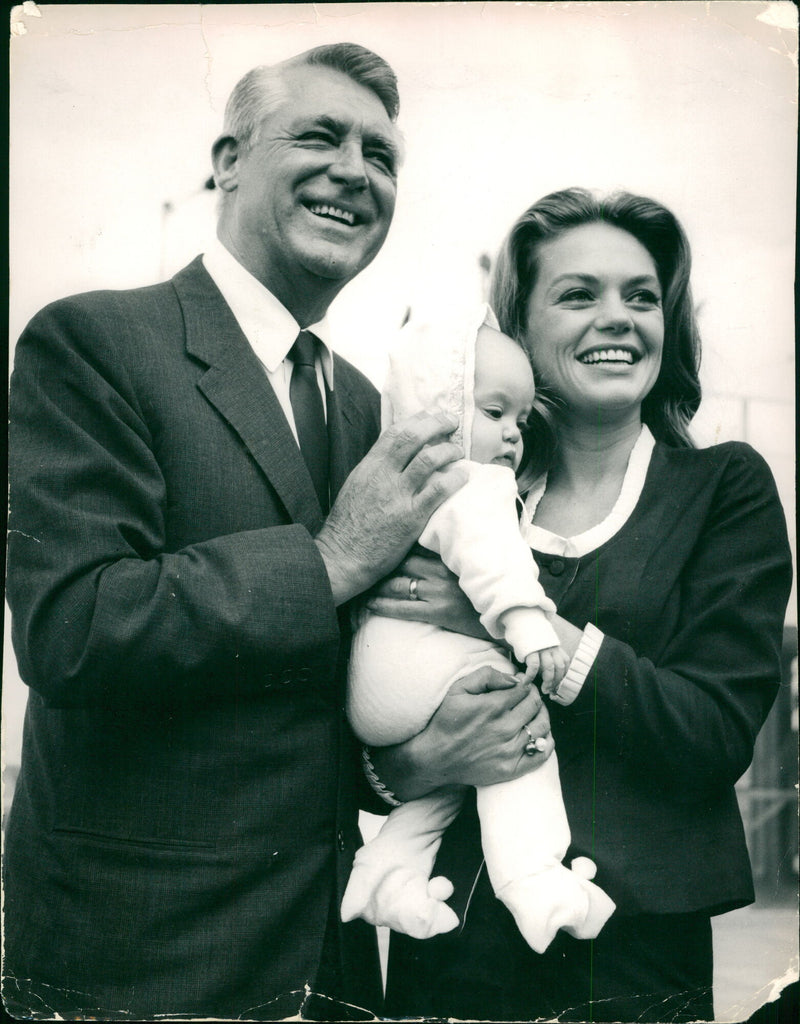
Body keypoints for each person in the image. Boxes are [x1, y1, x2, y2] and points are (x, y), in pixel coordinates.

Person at [3, 44, 551, 1021]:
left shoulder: (366, 410)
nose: (355, 169)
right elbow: (72, 628)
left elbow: (331, 694)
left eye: (381, 156)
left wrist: (404, 764)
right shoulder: (92, 345)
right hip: (140, 962)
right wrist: (332, 557)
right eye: (318, 135)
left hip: (327, 961)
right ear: (226, 159)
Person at [378, 188, 794, 1022]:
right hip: (454, 942)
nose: (619, 318)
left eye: (642, 297)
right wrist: (406, 767)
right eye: (578, 295)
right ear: (517, 332)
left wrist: (534, 637)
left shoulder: (724, 489)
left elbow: (714, 732)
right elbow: (380, 700)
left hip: (638, 951)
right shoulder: (452, 499)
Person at [341, 305, 615, 952]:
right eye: (494, 414)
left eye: (521, 419)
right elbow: (491, 558)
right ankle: (533, 878)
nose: (514, 436)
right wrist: (529, 628)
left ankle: (389, 871)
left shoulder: (399, 483)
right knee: (514, 729)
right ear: (437, 409)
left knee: (464, 763)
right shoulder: (470, 482)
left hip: (384, 678)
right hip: (412, 666)